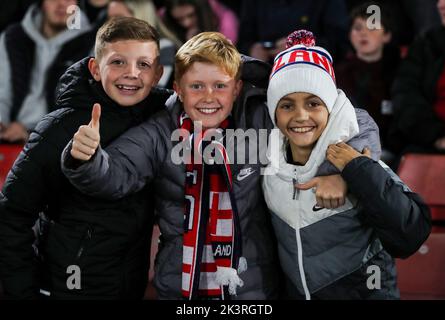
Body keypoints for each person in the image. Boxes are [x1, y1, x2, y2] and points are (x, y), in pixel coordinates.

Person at [62, 31, 281, 300]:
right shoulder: (160, 131)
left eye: (220, 86)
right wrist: (87, 158)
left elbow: (321, 131)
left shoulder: (261, 119)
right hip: (181, 284)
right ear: (178, 88)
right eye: (196, 86)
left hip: (252, 286)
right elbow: (115, 173)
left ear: (236, 88)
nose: (208, 97)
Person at [0, 17, 170, 299]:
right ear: (94, 68)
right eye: (118, 62)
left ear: (157, 74)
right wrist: (24, 292)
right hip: (64, 288)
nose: (131, 73)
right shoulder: (57, 128)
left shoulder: (163, 123)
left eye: (143, 64)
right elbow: (11, 216)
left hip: (130, 286)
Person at [263, 30, 432, 299]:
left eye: (313, 103)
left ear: (332, 107)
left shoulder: (359, 158)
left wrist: (354, 173)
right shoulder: (268, 165)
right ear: (273, 111)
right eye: (286, 105)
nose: (301, 115)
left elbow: (410, 235)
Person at [0, 0, 94, 143]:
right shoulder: (12, 37)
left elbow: (81, 109)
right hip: (9, 134)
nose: (62, 3)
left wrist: (31, 133)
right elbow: (2, 91)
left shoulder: (91, 44)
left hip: (56, 141)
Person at [335, 1, 400, 162]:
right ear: (349, 34)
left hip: (394, 151)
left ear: (387, 35)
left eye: (372, 27)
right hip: (349, 150)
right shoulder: (338, 74)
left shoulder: (402, 72)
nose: (363, 33)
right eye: (358, 28)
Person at [389, 0, 445, 154]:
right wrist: (434, 136)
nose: (441, 5)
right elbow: (405, 94)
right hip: (430, 144)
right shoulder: (426, 44)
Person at [107, 0, 181, 88]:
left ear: (139, 15)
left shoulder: (164, 47)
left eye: (118, 17)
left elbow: (157, 89)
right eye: (109, 18)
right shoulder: (109, 46)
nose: (110, 23)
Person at [161, 0, 239, 44]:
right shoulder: (165, 20)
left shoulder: (226, 21)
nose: (186, 23)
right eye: (179, 19)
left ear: (201, 9)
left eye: (191, 15)